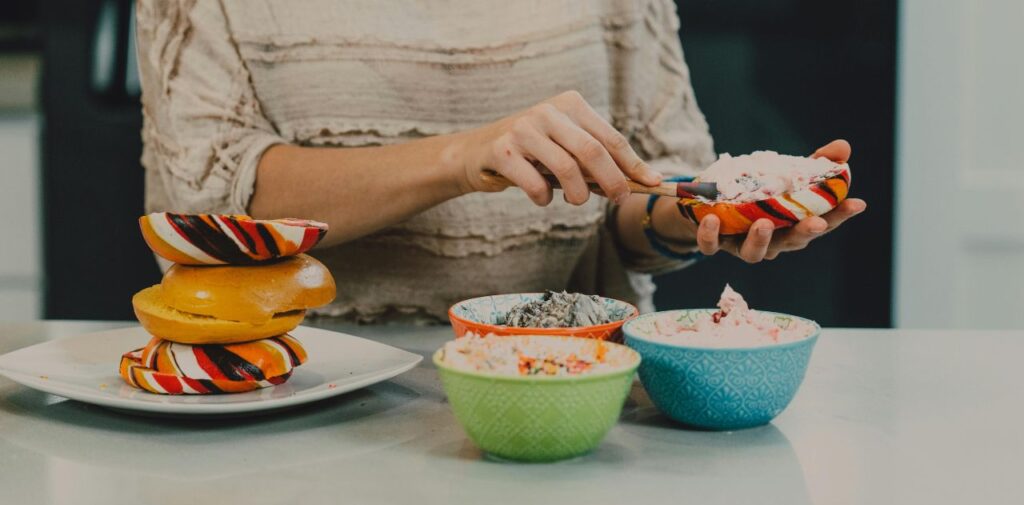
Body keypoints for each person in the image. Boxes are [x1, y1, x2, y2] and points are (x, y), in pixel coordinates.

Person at [136, 0, 865, 323]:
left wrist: (703, 216)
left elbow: (646, 201)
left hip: (572, 389)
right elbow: (206, 208)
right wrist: (461, 157)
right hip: (297, 398)